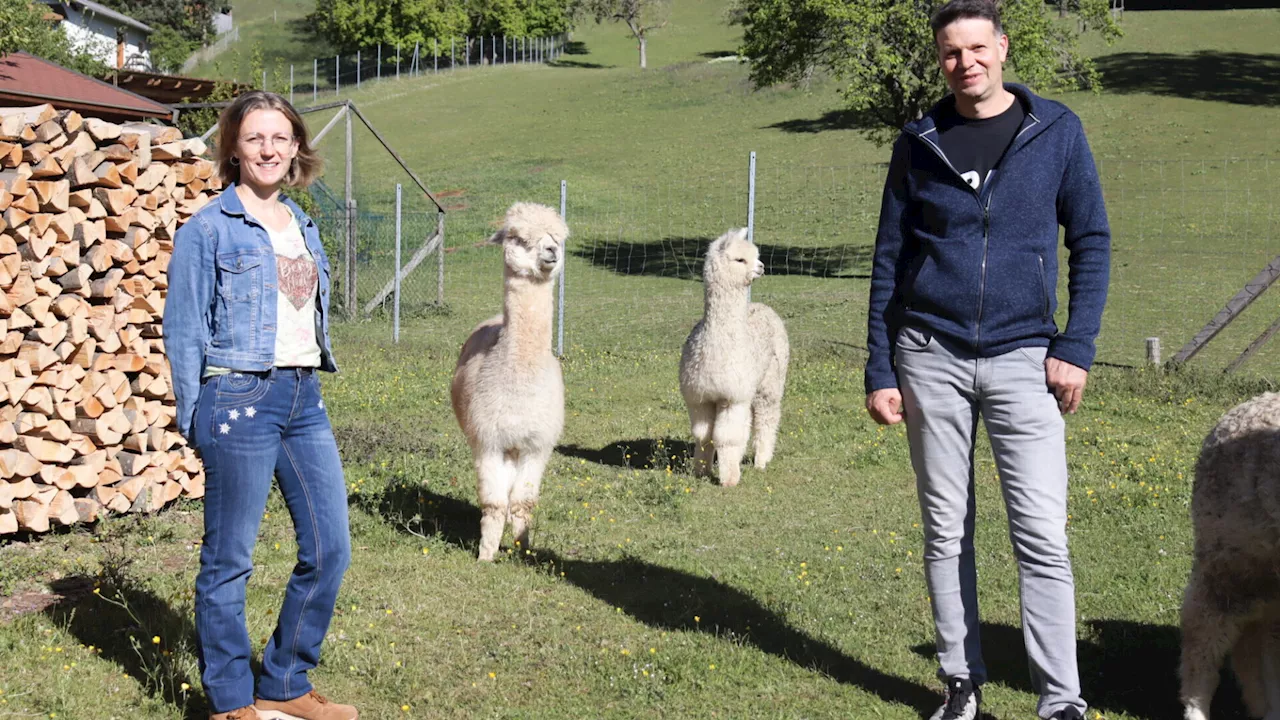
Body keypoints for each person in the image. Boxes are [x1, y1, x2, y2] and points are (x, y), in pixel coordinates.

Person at [863, 1, 1111, 719]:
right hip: (929, 355)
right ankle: (961, 686)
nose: (965, 62)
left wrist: (1077, 347)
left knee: (1039, 532)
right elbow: (889, 260)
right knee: (946, 529)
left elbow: (1090, 241)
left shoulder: (1056, 132)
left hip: (1026, 359)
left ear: (1001, 49)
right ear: (939, 60)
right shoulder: (919, 142)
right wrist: (880, 368)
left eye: (977, 47)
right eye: (950, 52)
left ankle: (1062, 699)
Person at [164, 91, 356, 720]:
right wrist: (194, 415)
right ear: (233, 149)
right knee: (230, 561)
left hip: (305, 396)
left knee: (331, 548)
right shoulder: (207, 229)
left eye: (280, 137)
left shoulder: (304, 225)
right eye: (255, 139)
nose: (269, 149)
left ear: (297, 146)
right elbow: (185, 328)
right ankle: (228, 699)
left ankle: (285, 681)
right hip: (237, 397)